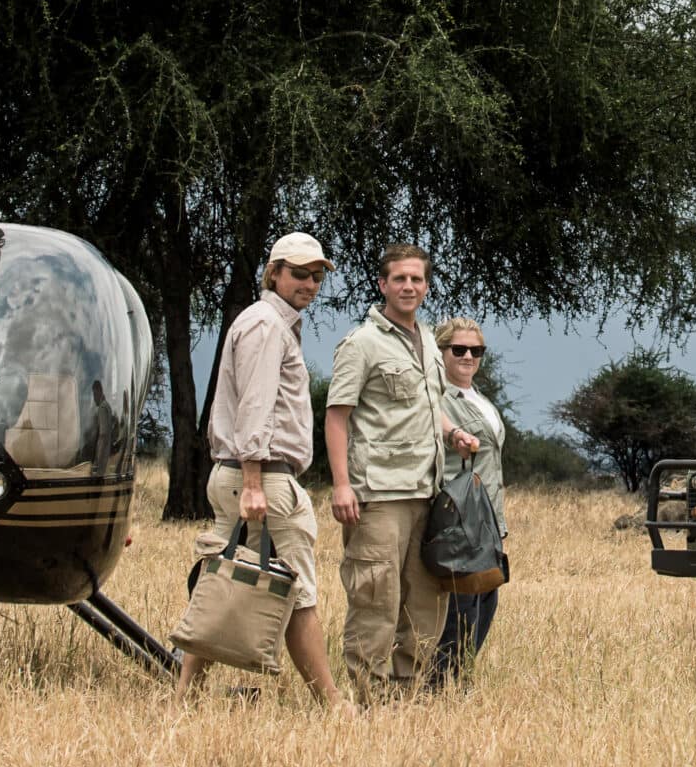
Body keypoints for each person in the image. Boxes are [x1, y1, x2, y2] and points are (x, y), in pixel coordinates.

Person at [180, 231, 345, 707]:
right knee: (295, 590)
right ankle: (333, 704)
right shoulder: (266, 325)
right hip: (263, 477)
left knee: (223, 580)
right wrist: (254, 481)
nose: (309, 284)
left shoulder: (269, 323)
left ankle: (185, 696)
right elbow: (256, 405)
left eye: (316, 276)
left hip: (248, 475)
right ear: (273, 273)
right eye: (298, 273)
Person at [325, 243, 480, 701]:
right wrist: (340, 485)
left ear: (426, 286)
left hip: (427, 493)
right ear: (382, 285)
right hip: (379, 496)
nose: (408, 286)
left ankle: (406, 700)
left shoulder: (430, 340)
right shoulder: (361, 344)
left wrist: (453, 435)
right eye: (399, 279)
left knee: (426, 606)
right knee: (376, 601)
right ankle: (368, 702)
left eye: (416, 279)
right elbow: (337, 416)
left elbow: (429, 408)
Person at [426, 317, 506, 685]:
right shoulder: (438, 398)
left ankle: (459, 678)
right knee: (461, 607)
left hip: (488, 517)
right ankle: (443, 683)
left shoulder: (480, 398)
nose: (468, 356)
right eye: (458, 349)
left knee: (486, 598)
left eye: (476, 350)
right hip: (461, 518)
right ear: (440, 351)